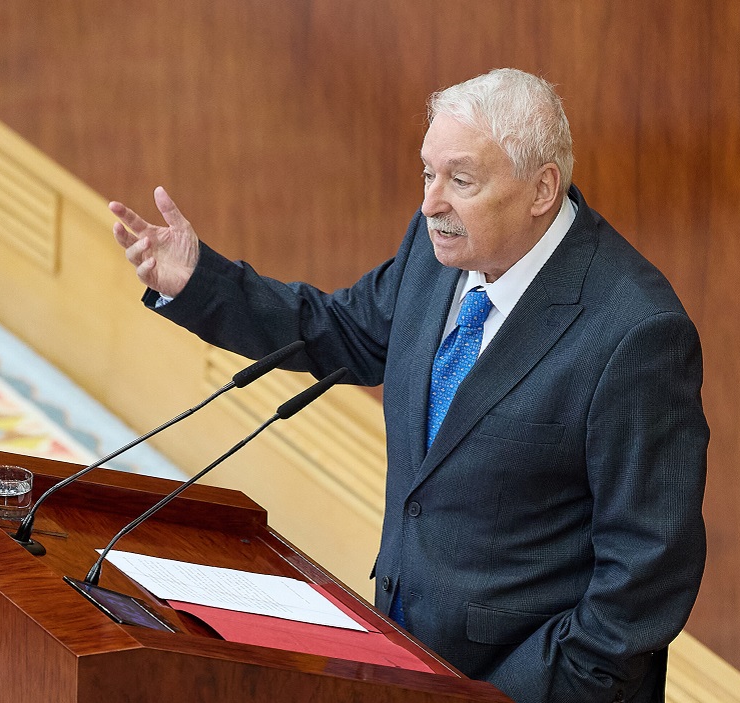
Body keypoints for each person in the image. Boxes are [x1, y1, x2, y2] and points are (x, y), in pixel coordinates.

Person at [110, 68, 707, 703]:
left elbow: (646, 577)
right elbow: (344, 332)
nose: (431, 203)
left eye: (461, 180)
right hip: (404, 655)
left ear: (542, 190)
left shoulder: (635, 333)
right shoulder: (440, 249)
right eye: (428, 173)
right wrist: (199, 280)